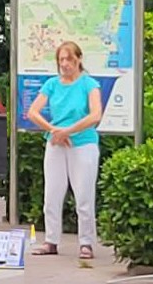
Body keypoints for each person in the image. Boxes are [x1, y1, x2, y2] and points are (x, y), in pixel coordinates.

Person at [26, 41, 102, 260]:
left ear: (79, 59)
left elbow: (95, 115)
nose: (65, 64)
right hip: (56, 142)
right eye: (62, 60)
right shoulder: (52, 84)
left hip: (82, 142)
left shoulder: (89, 84)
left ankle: (86, 242)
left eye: (70, 59)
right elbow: (33, 112)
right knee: (52, 193)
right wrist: (54, 131)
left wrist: (69, 131)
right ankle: (51, 239)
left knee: (83, 194)